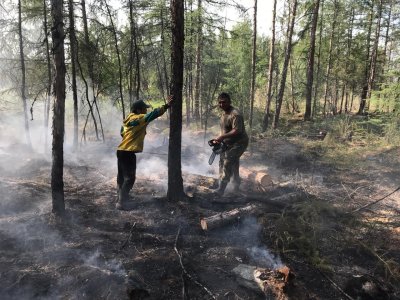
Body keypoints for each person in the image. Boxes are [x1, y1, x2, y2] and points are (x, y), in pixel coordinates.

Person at [116, 96, 172, 210]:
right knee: (129, 178)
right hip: (128, 152)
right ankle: (122, 203)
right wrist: (166, 105)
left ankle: (121, 198)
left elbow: (122, 132)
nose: (145, 110)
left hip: (121, 150)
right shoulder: (139, 118)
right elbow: (153, 115)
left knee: (121, 177)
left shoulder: (127, 119)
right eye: (144, 108)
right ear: (138, 110)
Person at [211, 92, 249, 196]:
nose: (221, 105)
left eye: (224, 102)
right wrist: (218, 139)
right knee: (224, 161)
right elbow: (224, 130)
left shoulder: (235, 114)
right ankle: (235, 186)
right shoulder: (224, 113)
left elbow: (237, 130)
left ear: (229, 102)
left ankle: (221, 190)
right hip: (228, 143)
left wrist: (222, 137)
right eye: (220, 102)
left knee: (228, 161)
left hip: (239, 142)